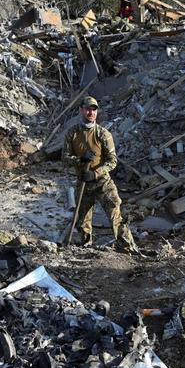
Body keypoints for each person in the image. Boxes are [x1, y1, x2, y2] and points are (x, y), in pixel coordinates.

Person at [62, 96, 138, 252]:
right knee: (82, 220)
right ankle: (85, 248)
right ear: (81, 110)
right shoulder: (72, 133)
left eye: (94, 109)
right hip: (83, 182)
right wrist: (80, 159)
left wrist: (96, 173)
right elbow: (64, 157)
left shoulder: (103, 134)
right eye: (88, 109)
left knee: (115, 213)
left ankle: (128, 248)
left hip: (103, 182)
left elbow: (112, 161)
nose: (91, 112)